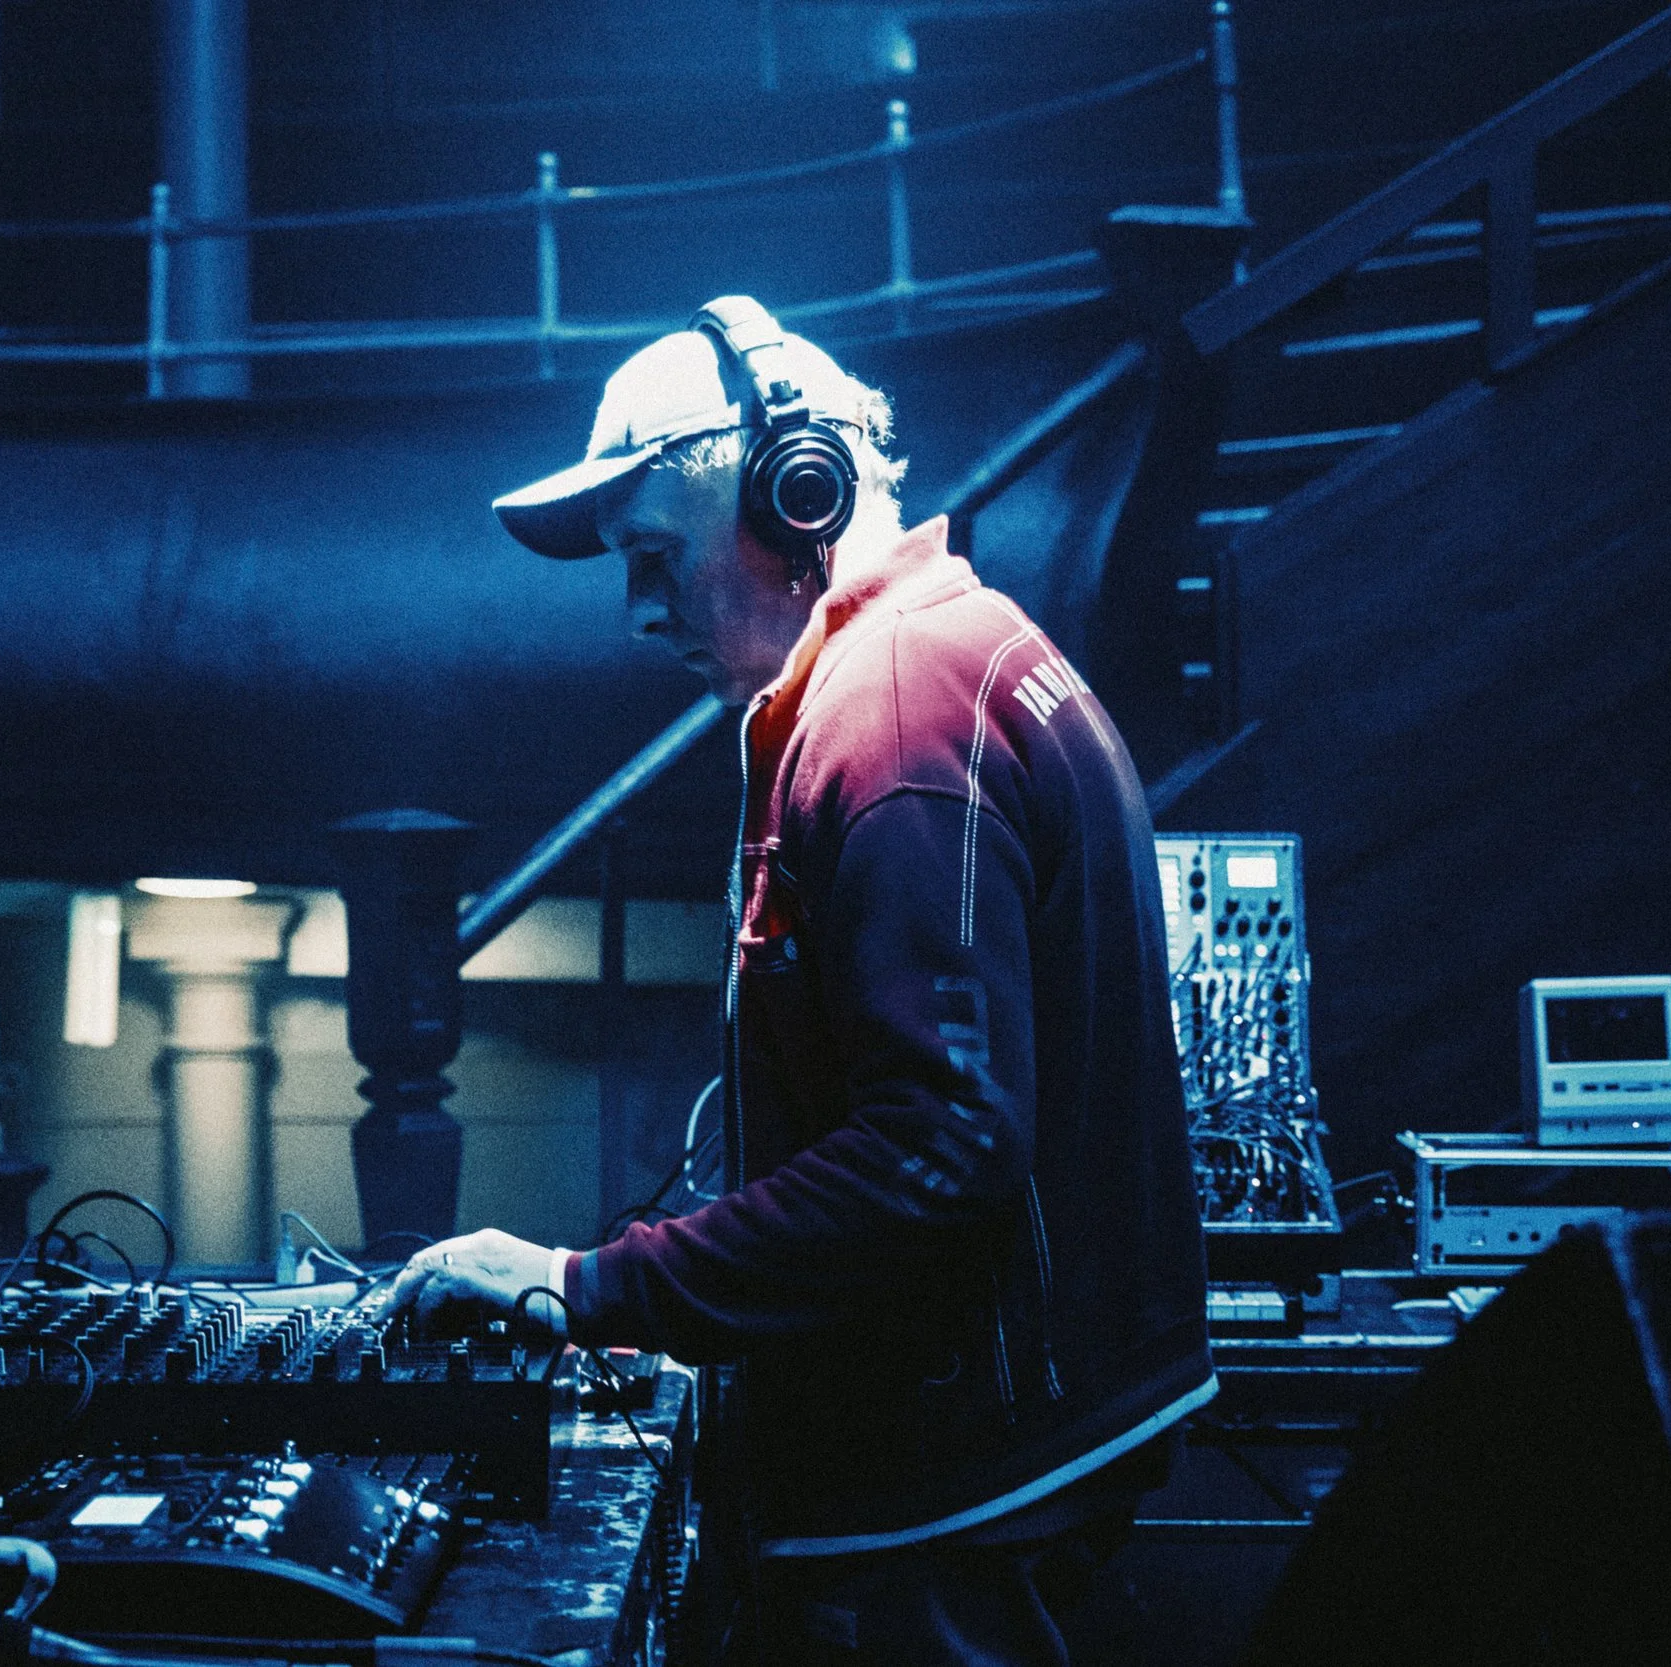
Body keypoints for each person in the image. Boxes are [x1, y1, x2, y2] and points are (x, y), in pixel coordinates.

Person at [380, 298, 1212, 1664]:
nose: (639, 611)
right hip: (1015, 1452)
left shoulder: (892, 716)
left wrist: (590, 1287)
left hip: (949, 1498)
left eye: (654, 556)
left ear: (793, 495)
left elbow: (939, 1149)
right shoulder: (959, 650)